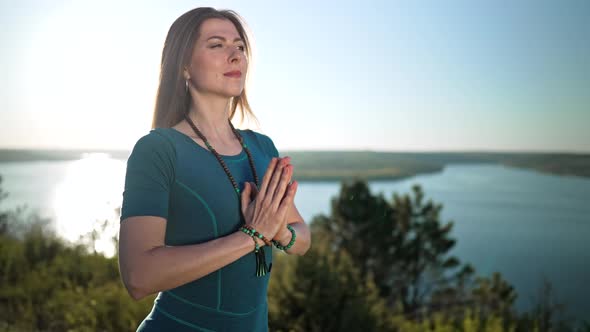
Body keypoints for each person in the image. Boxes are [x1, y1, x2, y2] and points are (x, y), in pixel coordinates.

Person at [118, 7, 311, 331]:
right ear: (183, 66)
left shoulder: (262, 148)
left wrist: (279, 232)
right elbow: (139, 276)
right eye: (217, 44)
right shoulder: (159, 150)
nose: (235, 55)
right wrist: (252, 236)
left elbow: (301, 237)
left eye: (239, 46)